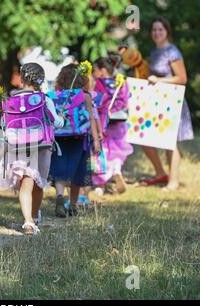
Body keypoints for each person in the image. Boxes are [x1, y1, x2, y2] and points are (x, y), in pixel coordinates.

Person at [0, 62, 65, 235]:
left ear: (21, 78)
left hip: (18, 146)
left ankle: (30, 219)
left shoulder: (11, 100)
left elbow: (4, 124)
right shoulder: (44, 99)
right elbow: (56, 122)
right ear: (41, 80)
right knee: (38, 184)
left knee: (25, 184)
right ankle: (32, 218)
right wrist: (63, 118)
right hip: (42, 146)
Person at [140, 16, 194, 191]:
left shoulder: (173, 51)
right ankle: (160, 173)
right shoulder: (155, 52)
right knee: (145, 140)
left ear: (167, 31)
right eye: (154, 30)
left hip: (173, 100)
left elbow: (182, 78)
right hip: (158, 101)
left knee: (170, 142)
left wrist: (159, 80)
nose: (157, 33)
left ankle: (173, 181)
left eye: (160, 29)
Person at [49, 64, 101, 217]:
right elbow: (91, 118)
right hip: (79, 139)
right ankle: (72, 205)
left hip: (59, 138)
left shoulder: (54, 95)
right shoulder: (84, 95)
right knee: (77, 173)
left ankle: (59, 196)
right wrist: (96, 140)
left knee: (59, 170)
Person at [92, 57, 132, 195]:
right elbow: (126, 100)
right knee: (116, 150)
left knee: (101, 152)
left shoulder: (99, 83)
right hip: (120, 121)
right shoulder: (121, 82)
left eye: (94, 70)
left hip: (103, 122)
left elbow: (96, 102)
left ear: (102, 71)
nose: (93, 73)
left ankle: (100, 184)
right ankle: (116, 169)